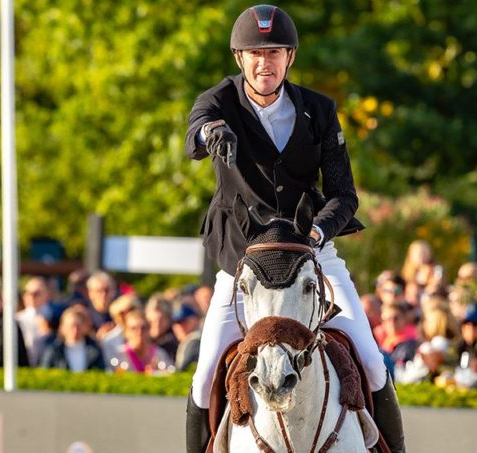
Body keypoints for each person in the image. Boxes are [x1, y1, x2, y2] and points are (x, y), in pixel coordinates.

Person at [183, 5, 404, 452]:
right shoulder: (219, 101)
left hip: (309, 252)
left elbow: (344, 195)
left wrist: (318, 235)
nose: (265, 63)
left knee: (373, 360)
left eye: (275, 52)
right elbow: (194, 132)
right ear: (239, 59)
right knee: (206, 368)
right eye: (255, 53)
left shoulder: (319, 110)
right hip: (245, 261)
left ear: (290, 58)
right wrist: (211, 133)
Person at [40, 305, 105, 372]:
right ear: (63, 328)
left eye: (78, 326)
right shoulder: (54, 351)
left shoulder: (95, 350)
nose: (75, 331)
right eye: (71, 326)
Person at [16, 276, 52, 366]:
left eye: (36, 293)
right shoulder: (17, 319)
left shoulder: (55, 316)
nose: (31, 296)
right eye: (28, 293)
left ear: (46, 295)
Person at [100, 294, 141, 370]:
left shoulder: (145, 332)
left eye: (131, 310)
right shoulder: (109, 340)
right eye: (121, 313)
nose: (127, 316)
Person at [172, 304, 202, 372]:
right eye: (177, 323)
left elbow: (182, 370)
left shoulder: (194, 341)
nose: (180, 327)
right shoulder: (189, 340)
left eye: (184, 322)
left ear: (195, 320)